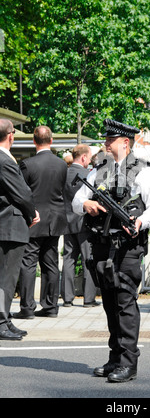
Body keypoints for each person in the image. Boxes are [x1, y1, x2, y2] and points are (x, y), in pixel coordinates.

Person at [72, 119, 150, 383]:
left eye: (110, 140)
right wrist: (87, 203)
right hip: (102, 245)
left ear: (125, 142)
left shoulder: (143, 172)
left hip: (127, 247)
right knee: (110, 304)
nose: (105, 144)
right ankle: (115, 358)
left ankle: (128, 362)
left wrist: (139, 221)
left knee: (125, 303)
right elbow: (76, 201)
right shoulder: (99, 170)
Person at [14, 126, 67, 319]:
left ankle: (27, 308)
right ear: (51, 140)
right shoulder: (62, 164)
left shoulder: (27, 164)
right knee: (51, 263)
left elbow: (22, 193)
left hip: (34, 219)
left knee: (28, 263)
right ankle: (51, 306)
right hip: (55, 219)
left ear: (34, 141)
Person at [0, 119, 40, 340]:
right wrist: (32, 212)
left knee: (7, 277)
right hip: (8, 224)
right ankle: (1, 321)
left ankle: (5, 319)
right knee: (6, 278)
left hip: (7, 224)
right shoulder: (4, 160)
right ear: (11, 135)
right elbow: (21, 193)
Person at [61, 144, 99, 308]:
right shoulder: (89, 174)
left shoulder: (63, 174)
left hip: (67, 223)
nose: (90, 161)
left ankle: (67, 298)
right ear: (84, 157)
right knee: (87, 260)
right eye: (89, 158)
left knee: (68, 259)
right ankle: (88, 298)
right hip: (84, 223)